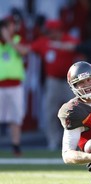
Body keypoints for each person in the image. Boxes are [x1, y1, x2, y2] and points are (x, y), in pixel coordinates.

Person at [3, 19, 79, 151]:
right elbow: (26, 50)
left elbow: (79, 52)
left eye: (50, 31)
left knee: (76, 111)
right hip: (53, 80)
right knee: (50, 111)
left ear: (57, 30)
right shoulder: (44, 41)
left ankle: (76, 142)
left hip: (70, 81)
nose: (48, 33)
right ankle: (53, 141)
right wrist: (8, 39)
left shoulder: (70, 39)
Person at [0, 16, 26, 156]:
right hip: (0, 85)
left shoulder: (17, 39)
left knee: (15, 117)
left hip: (15, 86)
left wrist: (8, 40)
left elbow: (23, 51)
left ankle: (16, 146)